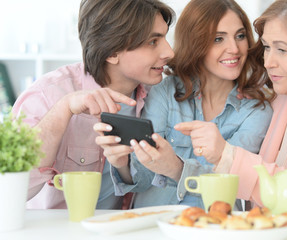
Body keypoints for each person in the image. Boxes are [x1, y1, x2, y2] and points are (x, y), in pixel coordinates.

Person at [176, 0, 287, 211]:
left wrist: (227, 155)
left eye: (282, 50)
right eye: (266, 47)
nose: (268, 62)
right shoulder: (282, 99)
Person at [94, 0, 273, 209]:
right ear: (195, 42)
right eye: (218, 39)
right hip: (153, 226)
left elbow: (231, 188)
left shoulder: (256, 111)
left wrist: (177, 168)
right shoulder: (166, 92)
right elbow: (141, 181)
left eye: (240, 36)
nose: (234, 48)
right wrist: (121, 164)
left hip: (213, 227)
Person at [12, 0, 175, 209]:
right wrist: (64, 109)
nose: (169, 52)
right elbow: (13, 189)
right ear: (112, 52)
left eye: (164, 37)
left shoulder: (159, 98)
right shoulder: (47, 94)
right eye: (153, 41)